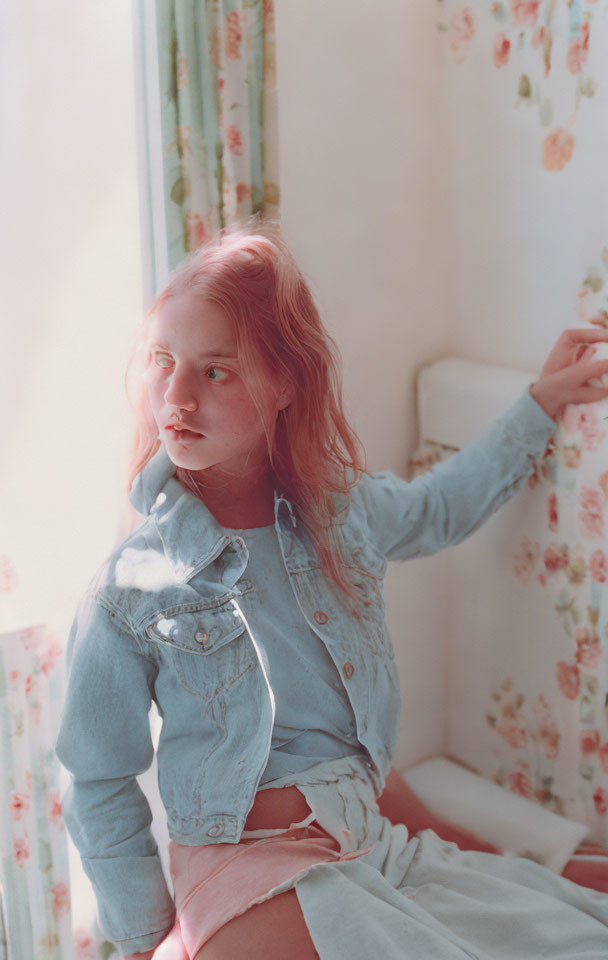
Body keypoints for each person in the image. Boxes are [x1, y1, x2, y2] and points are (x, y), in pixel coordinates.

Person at [55, 217, 608, 960]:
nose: (176, 396)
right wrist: (146, 939)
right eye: (163, 361)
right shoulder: (133, 585)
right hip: (246, 872)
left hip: (364, 844)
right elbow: (97, 779)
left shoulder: (339, 516)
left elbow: (440, 507)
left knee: (570, 927)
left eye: (215, 370)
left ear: (284, 382)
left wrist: (539, 405)